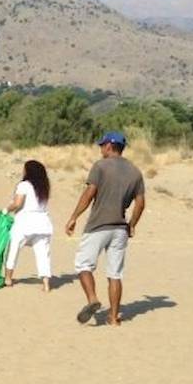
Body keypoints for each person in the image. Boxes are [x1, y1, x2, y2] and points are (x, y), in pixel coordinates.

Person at [66, 131, 147, 326]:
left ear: (110, 146)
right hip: (120, 228)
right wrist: (131, 225)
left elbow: (89, 193)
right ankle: (113, 318)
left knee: (84, 265)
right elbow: (140, 203)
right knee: (115, 274)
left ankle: (93, 299)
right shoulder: (135, 171)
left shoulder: (100, 166)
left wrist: (74, 216)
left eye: (102, 145)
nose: (101, 149)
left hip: (98, 225)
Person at [3, 159, 54, 291]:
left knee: (13, 249)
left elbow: (18, 203)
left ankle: (8, 278)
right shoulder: (44, 187)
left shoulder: (24, 185)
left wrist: (6, 210)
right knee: (43, 254)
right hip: (42, 223)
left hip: (25, 222)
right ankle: (46, 284)